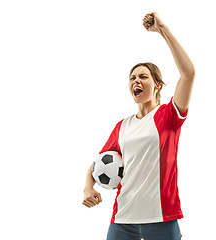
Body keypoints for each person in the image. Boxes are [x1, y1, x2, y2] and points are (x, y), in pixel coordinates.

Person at [82, 11, 195, 240]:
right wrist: (88, 187)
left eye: (143, 76)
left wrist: (162, 30)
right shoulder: (122, 126)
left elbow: (189, 73)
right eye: (132, 78)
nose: (136, 80)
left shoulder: (168, 116)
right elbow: (99, 162)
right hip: (123, 220)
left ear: (157, 85)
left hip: (161, 220)